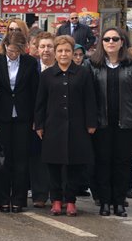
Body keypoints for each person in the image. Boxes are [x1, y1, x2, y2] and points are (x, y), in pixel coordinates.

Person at [36, 35, 97, 216]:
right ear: (55, 53)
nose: (63, 54)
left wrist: (91, 123)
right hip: (52, 126)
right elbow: (40, 102)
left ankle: (70, 201)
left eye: (67, 51)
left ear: (73, 53)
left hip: (77, 127)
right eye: (60, 51)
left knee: (74, 165)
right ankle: (56, 200)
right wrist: (39, 124)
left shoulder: (83, 73)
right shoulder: (47, 75)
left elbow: (90, 100)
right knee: (53, 165)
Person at [89, 27, 132, 217]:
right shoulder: (93, 64)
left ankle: (119, 202)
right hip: (101, 123)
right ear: (102, 43)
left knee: (122, 162)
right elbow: (87, 97)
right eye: (107, 39)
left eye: (115, 39)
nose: (111, 42)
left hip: (126, 122)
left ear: (122, 41)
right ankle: (105, 202)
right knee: (103, 162)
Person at [0, 30, 39, 213]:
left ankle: (18, 199)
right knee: (2, 159)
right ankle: (2, 199)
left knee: (21, 160)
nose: (12, 53)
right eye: (10, 49)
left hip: (23, 117)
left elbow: (35, 92)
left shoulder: (30, 63)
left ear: (23, 49)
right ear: (5, 45)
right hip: (1, 117)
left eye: (16, 50)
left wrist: (35, 119)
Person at [29, 31, 57, 208]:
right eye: (42, 47)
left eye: (49, 46)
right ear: (37, 49)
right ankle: (39, 195)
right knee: (37, 157)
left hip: (56, 119)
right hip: (34, 120)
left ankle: (56, 195)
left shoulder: (60, 67)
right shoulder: (31, 67)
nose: (46, 50)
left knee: (56, 159)